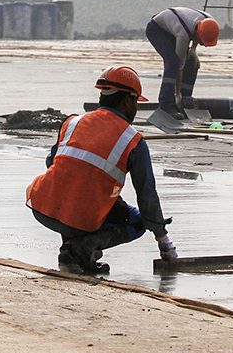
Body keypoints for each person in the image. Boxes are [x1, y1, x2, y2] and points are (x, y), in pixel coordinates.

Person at [27, 66, 177, 274]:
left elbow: (53, 164)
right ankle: (84, 247)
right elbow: (147, 197)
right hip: (78, 217)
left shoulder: (72, 122)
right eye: (135, 102)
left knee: (76, 197)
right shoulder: (133, 141)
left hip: (42, 206)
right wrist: (164, 241)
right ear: (127, 101)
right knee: (139, 221)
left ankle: (69, 250)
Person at [145, 7, 219, 120]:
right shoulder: (183, 34)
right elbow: (180, 67)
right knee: (173, 62)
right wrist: (177, 93)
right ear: (198, 34)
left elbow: (196, 34)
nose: (203, 45)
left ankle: (185, 102)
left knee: (192, 62)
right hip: (158, 29)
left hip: (175, 28)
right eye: (202, 42)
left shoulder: (209, 23)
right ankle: (166, 106)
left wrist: (193, 49)